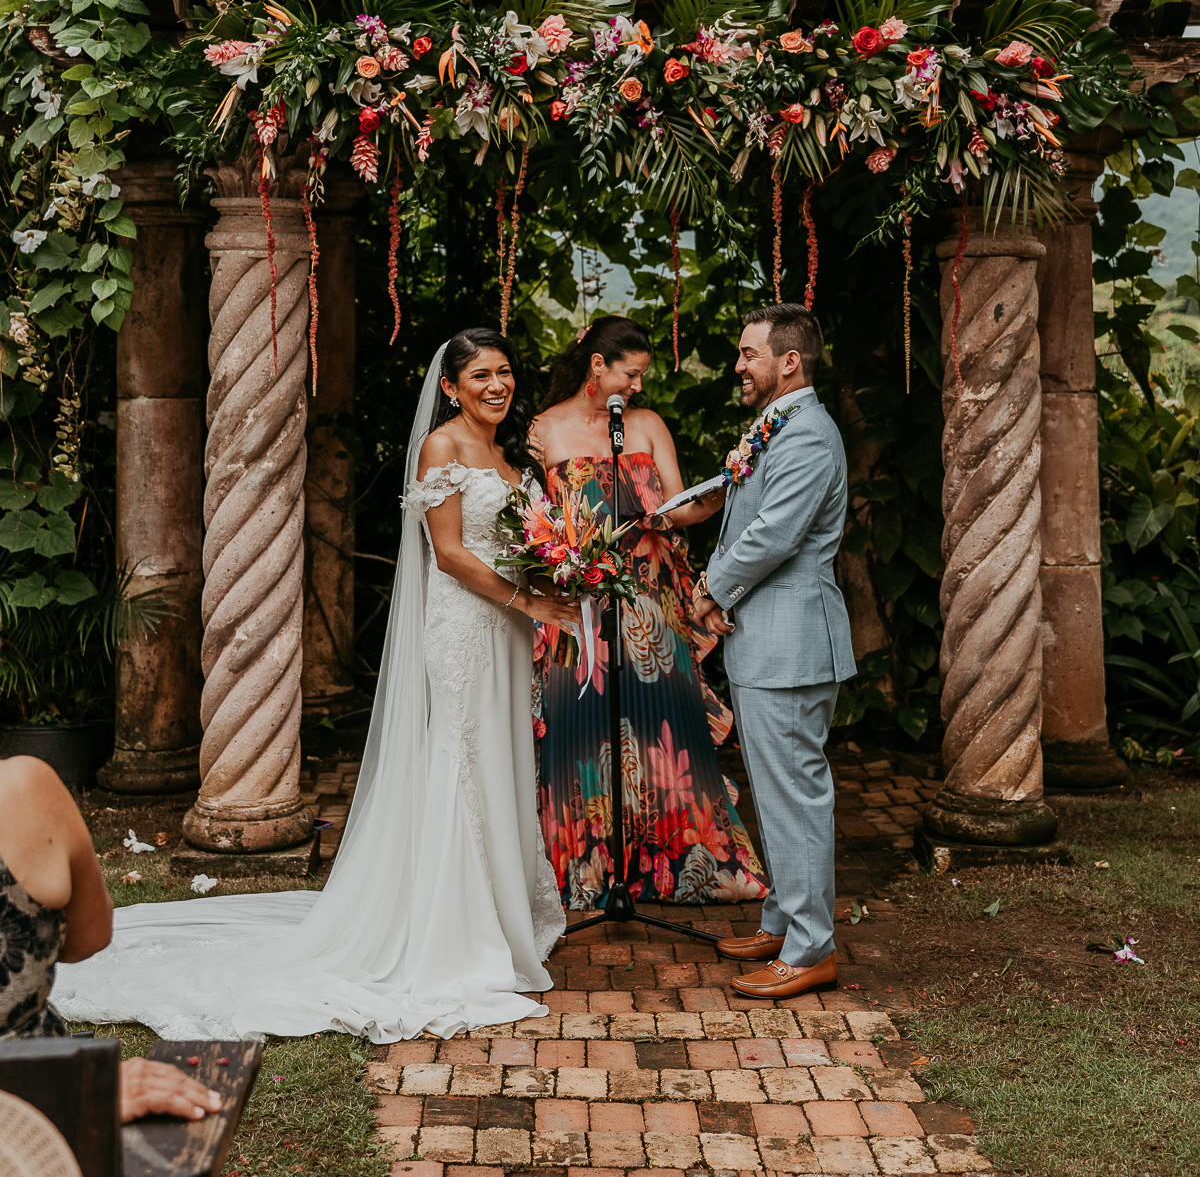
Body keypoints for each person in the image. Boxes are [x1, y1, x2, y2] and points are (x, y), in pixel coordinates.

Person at [52, 329, 578, 1041]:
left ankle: (504, 909)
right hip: (467, 628)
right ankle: (457, 929)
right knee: (461, 759)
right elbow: (450, 555)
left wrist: (554, 576)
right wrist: (531, 603)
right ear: (450, 387)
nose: (497, 385)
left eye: (506, 372)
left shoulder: (515, 454)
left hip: (511, 629)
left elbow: (522, 541)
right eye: (481, 374)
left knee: (503, 759)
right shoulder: (442, 447)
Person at [531, 316, 767, 908]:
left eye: (640, 376)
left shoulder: (647, 424)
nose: (637, 386)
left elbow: (680, 504)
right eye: (630, 374)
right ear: (597, 366)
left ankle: (679, 864)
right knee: (581, 732)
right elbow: (534, 523)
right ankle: (588, 872)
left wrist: (710, 497)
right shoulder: (541, 431)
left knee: (666, 730)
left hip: (652, 603)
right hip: (580, 608)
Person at [692, 302, 855, 1000]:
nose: (738, 365)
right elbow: (737, 504)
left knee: (796, 796)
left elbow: (774, 535)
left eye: (749, 354)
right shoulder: (779, 424)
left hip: (792, 643)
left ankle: (812, 949)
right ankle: (784, 920)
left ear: (789, 361)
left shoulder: (809, 437)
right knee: (779, 792)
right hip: (768, 640)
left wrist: (710, 590)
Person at [0, 756, 221, 1123]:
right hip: (42, 1108)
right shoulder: (23, 786)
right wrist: (72, 1093)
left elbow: (91, 936)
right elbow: (87, 936)